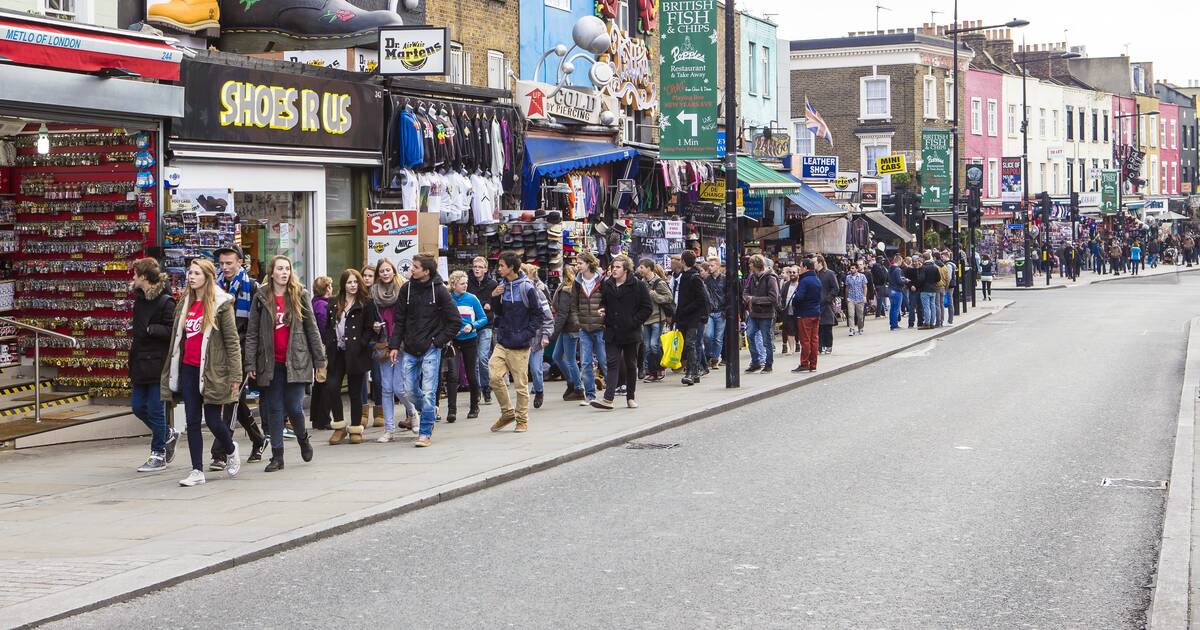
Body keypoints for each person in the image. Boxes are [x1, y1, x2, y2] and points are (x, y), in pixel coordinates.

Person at [160, 259, 242, 487]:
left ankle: (230, 448)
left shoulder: (222, 304)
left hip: (212, 370)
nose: (191, 276)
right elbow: (179, 339)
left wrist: (235, 376)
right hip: (188, 368)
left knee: (214, 420)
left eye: (196, 273)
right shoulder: (185, 303)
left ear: (207, 276)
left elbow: (232, 342)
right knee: (192, 421)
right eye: (190, 272)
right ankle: (197, 470)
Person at [244, 255, 325, 471]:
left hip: (297, 360)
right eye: (280, 269)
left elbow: (312, 329)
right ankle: (277, 456)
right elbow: (252, 333)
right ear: (272, 272)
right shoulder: (261, 297)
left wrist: (320, 360)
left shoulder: (300, 295)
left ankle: (303, 438)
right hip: (270, 363)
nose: (284, 272)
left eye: (287, 269)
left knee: (294, 406)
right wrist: (250, 363)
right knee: (274, 409)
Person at [388, 254, 461, 447]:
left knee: (429, 392)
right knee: (409, 391)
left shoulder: (440, 291)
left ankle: (425, 432)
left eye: (415, 267)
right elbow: (399, 321)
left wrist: (438, 342)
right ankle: (430, 410)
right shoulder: (407, 289)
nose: (411, 269)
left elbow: (455, 321)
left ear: (426, 271)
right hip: (410, 347)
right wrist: (394, 346)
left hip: (430, 348)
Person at [212, 245, 266, 467]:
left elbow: (258, 327)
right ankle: (258, 439)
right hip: (220, 352)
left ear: (240, 262)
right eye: (222, 263)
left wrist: (253, 358)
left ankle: (221, 452)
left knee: (231, 400)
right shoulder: (215, 288)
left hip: (243, 352)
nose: (225, 267)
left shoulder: (252, 287)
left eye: (229, 263)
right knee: (238, 402)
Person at [489, 252, 547, 433]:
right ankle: (507, 413)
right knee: (494, 376)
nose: (499, 269)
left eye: (501, 266)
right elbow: (499, 312)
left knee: (521, 385)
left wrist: (526, 334)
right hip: (503, 340)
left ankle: (522, 419)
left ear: (512, 267)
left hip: (520, 344)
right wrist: (494, 297)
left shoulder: (527, 288)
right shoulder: (502, 286)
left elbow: (538, 315)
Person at [130, 257, 178, 472]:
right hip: (140, 361)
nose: (132, 277)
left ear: (144, 277)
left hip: (158, 363)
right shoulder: (139, 299)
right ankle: (167, 433)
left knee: (156, 409)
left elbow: (172, 331)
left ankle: (158, 453)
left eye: (135, 274)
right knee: (138, 407)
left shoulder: (166, 301)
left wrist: (152, 330)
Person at [591, 254, 652, 409]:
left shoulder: (638, 285)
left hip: (631, 332)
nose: (614, 270)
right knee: (612, 363)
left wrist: (634, 321)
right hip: (612, 331)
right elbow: (603, 302)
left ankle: (630, 397)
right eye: (613, 267)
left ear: (626, 269)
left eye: (618, 267)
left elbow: (647, 308)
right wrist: (602, 310)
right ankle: (608, 399)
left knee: (631, 365)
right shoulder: (608, 284)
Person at [371, 258, 417, 441]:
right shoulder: (373, 293)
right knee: (386, 388)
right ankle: (389, 430)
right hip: (382, 343)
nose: (385, 273)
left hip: (401, 343)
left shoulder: (403, 289)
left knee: (399, 387)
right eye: (382, 271)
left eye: (388, 270)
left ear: (393, 271)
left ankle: (413, 412)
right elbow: (369, 317)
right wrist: (373, 325)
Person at [324, 269, 371, 445]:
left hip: (356, 353)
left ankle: (356, 428)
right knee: (332, 386)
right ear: (343, 284)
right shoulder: (334, 303)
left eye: (355, 282)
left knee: (355, 391)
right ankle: (339, 426)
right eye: (349, 282)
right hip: (337, 352)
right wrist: (329, 342)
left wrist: (361, 343)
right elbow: (328, 327)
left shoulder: (366, 303)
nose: (353, 285)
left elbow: (369, 329)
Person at [447, 270, 487, 421]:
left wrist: (472, 325)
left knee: (471, 374)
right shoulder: (448, 299)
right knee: (453, 375)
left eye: (466, 283)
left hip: (470, 339)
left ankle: (474, 406)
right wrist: (449, 331)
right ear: (454, 284)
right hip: (454, 341)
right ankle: (452, 411)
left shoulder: (472, 298)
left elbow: (483, 318)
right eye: (462, 283)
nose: (465, 286)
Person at [573, 251, 606, 405]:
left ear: (588, 263)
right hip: (584, 327)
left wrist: (605, 318)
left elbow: (607, 300)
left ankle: (611, 391)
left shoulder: (602, 280)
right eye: (577, 263)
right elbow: (574, 304)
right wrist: (577, 322)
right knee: (585, 362)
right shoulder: (577, 282)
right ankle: (590, 395)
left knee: (604, 360)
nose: (577, 266)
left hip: (600, 327)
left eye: (580, 263)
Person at [521, 263, 554, 410]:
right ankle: (522, 398)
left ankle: (539, 391)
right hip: (519, 339)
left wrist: (546, 335)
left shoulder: (539, 293)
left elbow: (548, 317)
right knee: (520, 371)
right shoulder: (513, 292)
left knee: (535, 369)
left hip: (536, 338)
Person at [674, 250, 710, 384]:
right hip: (684, 317)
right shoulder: (684, 276)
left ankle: (692, 372)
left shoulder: (694, 277)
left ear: (683, 261)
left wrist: (686, 309)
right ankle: (693, 372)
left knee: (690, 344)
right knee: (688, 345)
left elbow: (701, 299)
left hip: (693, 318)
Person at [468, 256, 498, 405]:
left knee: (482, 358)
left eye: (480, 267)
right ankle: (477, 390)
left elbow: (497, 303)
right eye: (475, 266)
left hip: (486, 324)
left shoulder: (492, 284)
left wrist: (490, 305)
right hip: (471, 325)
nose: (477, 269)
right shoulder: (468, 283)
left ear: (486, 269)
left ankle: (486, 388)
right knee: (473, 361)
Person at [637, 259, 673, 383]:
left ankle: (659, 368)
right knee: (647, 346)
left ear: (648, 268)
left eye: (641, 267)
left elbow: (669, 297)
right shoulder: (641, 282)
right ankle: (650, 372)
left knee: (654, 345)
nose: (639, 269)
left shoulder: (659, 282)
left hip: (657, 317)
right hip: (646, 319)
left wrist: (654, 295)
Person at [742, 254, 778, 373]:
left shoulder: (770, 278)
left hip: (766, 314)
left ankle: (768, 364)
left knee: (766, 340)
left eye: (751, 263)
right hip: (754, 313)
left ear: (756, 264)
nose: (749, 265)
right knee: (750, 335)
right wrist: (747, 298)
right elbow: (746, 291)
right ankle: (756, 361)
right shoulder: (752, 277)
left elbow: (773, 298)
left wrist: (754, 299)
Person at [551, 264, 583, 401]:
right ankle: (572, 382)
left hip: (569, 328)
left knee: (570, 359)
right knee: (557, 356)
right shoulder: (573, 288)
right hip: (568, 327)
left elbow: (563, 314)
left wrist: (553, 333)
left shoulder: (566, 290)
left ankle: (578, 387)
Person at [360, 264, 384, 428]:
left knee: (378, 377)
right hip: (362, 341)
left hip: (376, 341)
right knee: (362, 376)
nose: (367, 278)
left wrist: (379, 326)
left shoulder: (379, 296)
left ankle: (379, 411)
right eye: (365, 275)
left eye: (370, 276)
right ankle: (363, 412)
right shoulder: (357, 295)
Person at [309, 275, 334, 430]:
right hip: (324, 348)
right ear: (326, 289)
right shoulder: (322, 306)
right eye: (330, 286)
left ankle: (317, 417)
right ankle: (323, 418)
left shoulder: (314, 303)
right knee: (325, 383)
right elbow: (324, 327)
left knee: (319, 382)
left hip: (318, 347)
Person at [789, 258, 822, 373]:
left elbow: (799, 297)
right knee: (814, 339)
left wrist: (794, 301)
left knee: (805, 340)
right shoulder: (817, 279)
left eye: (801, 266)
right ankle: (813, 364)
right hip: (816, 312)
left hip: (805, 313)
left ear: (805, 268)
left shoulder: (804, 281)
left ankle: (804, 363)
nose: (800, 269)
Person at [703, 256, 726, 368]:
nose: (710, 268)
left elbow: (728, 295)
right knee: (707, 335)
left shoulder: (725, 279)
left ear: (718, 266)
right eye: (709, 265)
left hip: (721, 311)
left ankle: (715, 359)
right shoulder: (706, 280)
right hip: (710, 312)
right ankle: (709, 355)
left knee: (718, 338)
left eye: (712, 265)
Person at [816, 255, 840, 354]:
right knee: (818, 328)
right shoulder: (814, 274)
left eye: (814, 262)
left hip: (827, 305)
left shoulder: (829, 273)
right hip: (816, 305)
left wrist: (828, 299)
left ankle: (828, 345)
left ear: (820, 262)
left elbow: (836, 288)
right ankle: (820, 346)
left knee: (827, 327)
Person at [779, 266, 799, 354]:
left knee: (799, 330)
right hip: (788, 311)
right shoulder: (786, 284)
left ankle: (799, 345)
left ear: (798, 273)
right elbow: (782, 296)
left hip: (799, 311)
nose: (792, 274)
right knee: (790, 330)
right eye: (790, 272)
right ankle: (791, 349)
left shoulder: (801, 284)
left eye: (794, 272)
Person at [844, 262, 868, 335]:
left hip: (860, 298)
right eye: (850, 268)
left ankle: (860, 327)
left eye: (853, 268)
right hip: (851, 298)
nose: (851, 269)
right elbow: (847, 288)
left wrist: (864, 296)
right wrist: (847, 297)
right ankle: (852, 329)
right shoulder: (848, 277)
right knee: (851, 314)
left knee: (860, 316)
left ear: (857, 269)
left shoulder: (862, 276)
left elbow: (865, 287)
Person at [918, 253, 939, 329]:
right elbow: (938, 278)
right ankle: (932, 323)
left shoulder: (923, 268)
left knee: (926, 307)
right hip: (933, 289)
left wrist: (919, 285)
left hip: (925, 289)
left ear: (924, 259)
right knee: (932, 306)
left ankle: (927, 323)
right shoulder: (935, 267)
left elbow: (921, 279)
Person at [886, 255, 906, 330]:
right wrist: (905, 281)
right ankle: (894, 325)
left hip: (891, 290)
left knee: (892, 308)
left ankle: (892, 324)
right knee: (896, 308)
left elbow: (888, 279)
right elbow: (899, 281)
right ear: (899, 261)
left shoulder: (890, 268)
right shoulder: (898, 270)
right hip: (897, 290)